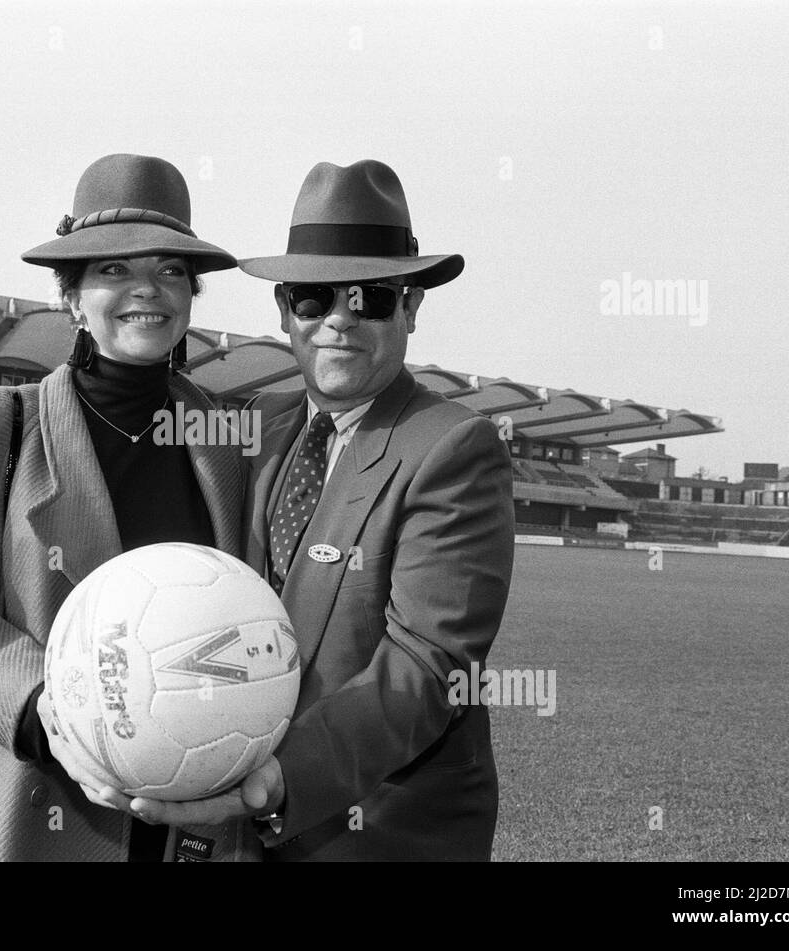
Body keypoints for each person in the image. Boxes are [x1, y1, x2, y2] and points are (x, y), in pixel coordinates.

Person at [128, 159, 516, 860]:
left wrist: (277, 779)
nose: (340, 318)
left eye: (369, 296)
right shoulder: (251, 431)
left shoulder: (454, 448)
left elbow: (428, 668)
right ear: (283, 309)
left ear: (411, 307)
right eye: (314, 297)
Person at [0, 153, 256, 861]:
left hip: (193, 810)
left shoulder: (231, 445)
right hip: (40, 798)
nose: (147, 290)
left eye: (171, 270)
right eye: (113, 269)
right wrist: (48, 709)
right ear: (71, 295)